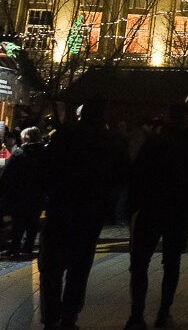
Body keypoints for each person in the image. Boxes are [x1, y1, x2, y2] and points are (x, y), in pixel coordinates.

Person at [39, 99, 128, 330]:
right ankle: (69, 316)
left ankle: (50, 316)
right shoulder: (110, 141)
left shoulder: (64, 136)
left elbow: (47, 170)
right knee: (79, 268)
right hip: (90, 212)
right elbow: (121, 176)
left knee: (51, 268)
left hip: (61, 207)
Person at [124, 104, 188, 330]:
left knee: (139, 263)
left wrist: (132, 208)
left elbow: (137, 176)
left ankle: (136, 316)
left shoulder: (154, 143)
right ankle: (164, 312)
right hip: (178, 210)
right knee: (172, 263)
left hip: (150, 208)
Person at [0, 126, 49, 258]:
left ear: (25, 138)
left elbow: (8, 173)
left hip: (19, 193)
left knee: (18, 222)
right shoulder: (46, 153)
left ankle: (15, 248)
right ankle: (28, 246)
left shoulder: (20, 152)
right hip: (38, 193)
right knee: (33, 221)